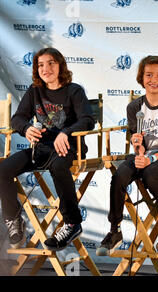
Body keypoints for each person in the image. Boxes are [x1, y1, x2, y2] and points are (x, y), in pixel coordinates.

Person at [0, 47, 95, 251]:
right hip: (41, 150)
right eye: (40, 65)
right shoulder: (35, 91)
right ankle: (14, 220)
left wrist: (66, 132)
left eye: (51, 63)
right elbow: (18, 118)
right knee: (3, 170)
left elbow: (88, 119)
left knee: (59, 166)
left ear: (60, 65)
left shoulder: (74, 90)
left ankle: (72, 223)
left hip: (68, 148)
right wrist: (25, 129)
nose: (46, 68)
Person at [96, 55, 158, 256]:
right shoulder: (134, 107)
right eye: (149, 75)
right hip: (140, 155)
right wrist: (138, 146)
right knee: (119, 177)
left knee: (150, 176)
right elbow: (136, 137)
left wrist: (150, 158)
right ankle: (115, 230)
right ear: (141, 78)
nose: (154, 80)